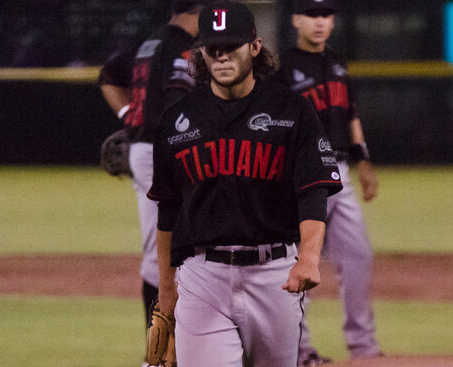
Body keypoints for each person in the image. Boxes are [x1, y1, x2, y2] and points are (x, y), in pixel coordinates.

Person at [147, 2, 344, 366]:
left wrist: (310, 258)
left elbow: (313, 190)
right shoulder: (177, 120)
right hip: (202, 274)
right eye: (213, 49)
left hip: (274, 275)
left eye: (231, 47)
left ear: (255, 47)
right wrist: (166, 288)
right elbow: (168, 211)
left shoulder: (292, 110)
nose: (221, 57)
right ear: (201, 54)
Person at [98, 2, 211, 366]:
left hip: (146, 147)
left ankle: (171, 352)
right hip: (163, 152)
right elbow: (178, 108)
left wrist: (127, 116)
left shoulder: (151, 43)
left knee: (174, 251)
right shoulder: (180, 48)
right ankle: (158, 355)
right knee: (162, 257)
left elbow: (108, 75)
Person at [272, 0, 382, 364]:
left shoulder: (337, 63)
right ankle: (298, 350)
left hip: (341, 170)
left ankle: (363, 346)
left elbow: (351, 113)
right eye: (312, 15)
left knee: (358, 255)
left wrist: (363, 159)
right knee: (300, 259)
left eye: (326, 15)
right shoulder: (282, 67)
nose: (320, 22)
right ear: (296, 20)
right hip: (300, 175)